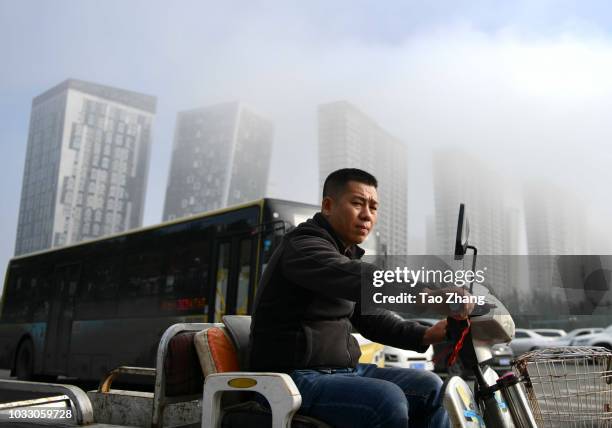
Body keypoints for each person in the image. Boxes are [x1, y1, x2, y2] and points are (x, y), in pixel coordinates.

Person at [249, 168, 470, 428]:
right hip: (291, 377)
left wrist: (426, 334)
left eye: (374, 207)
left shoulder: (343, 257)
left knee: (431, 387)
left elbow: (372, 319)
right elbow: (361, 278)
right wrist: (429, 296)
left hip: (341, 372)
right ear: (328, 206)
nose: (367, 215)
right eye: (357, 203)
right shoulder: (304, 247)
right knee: (387, 399)